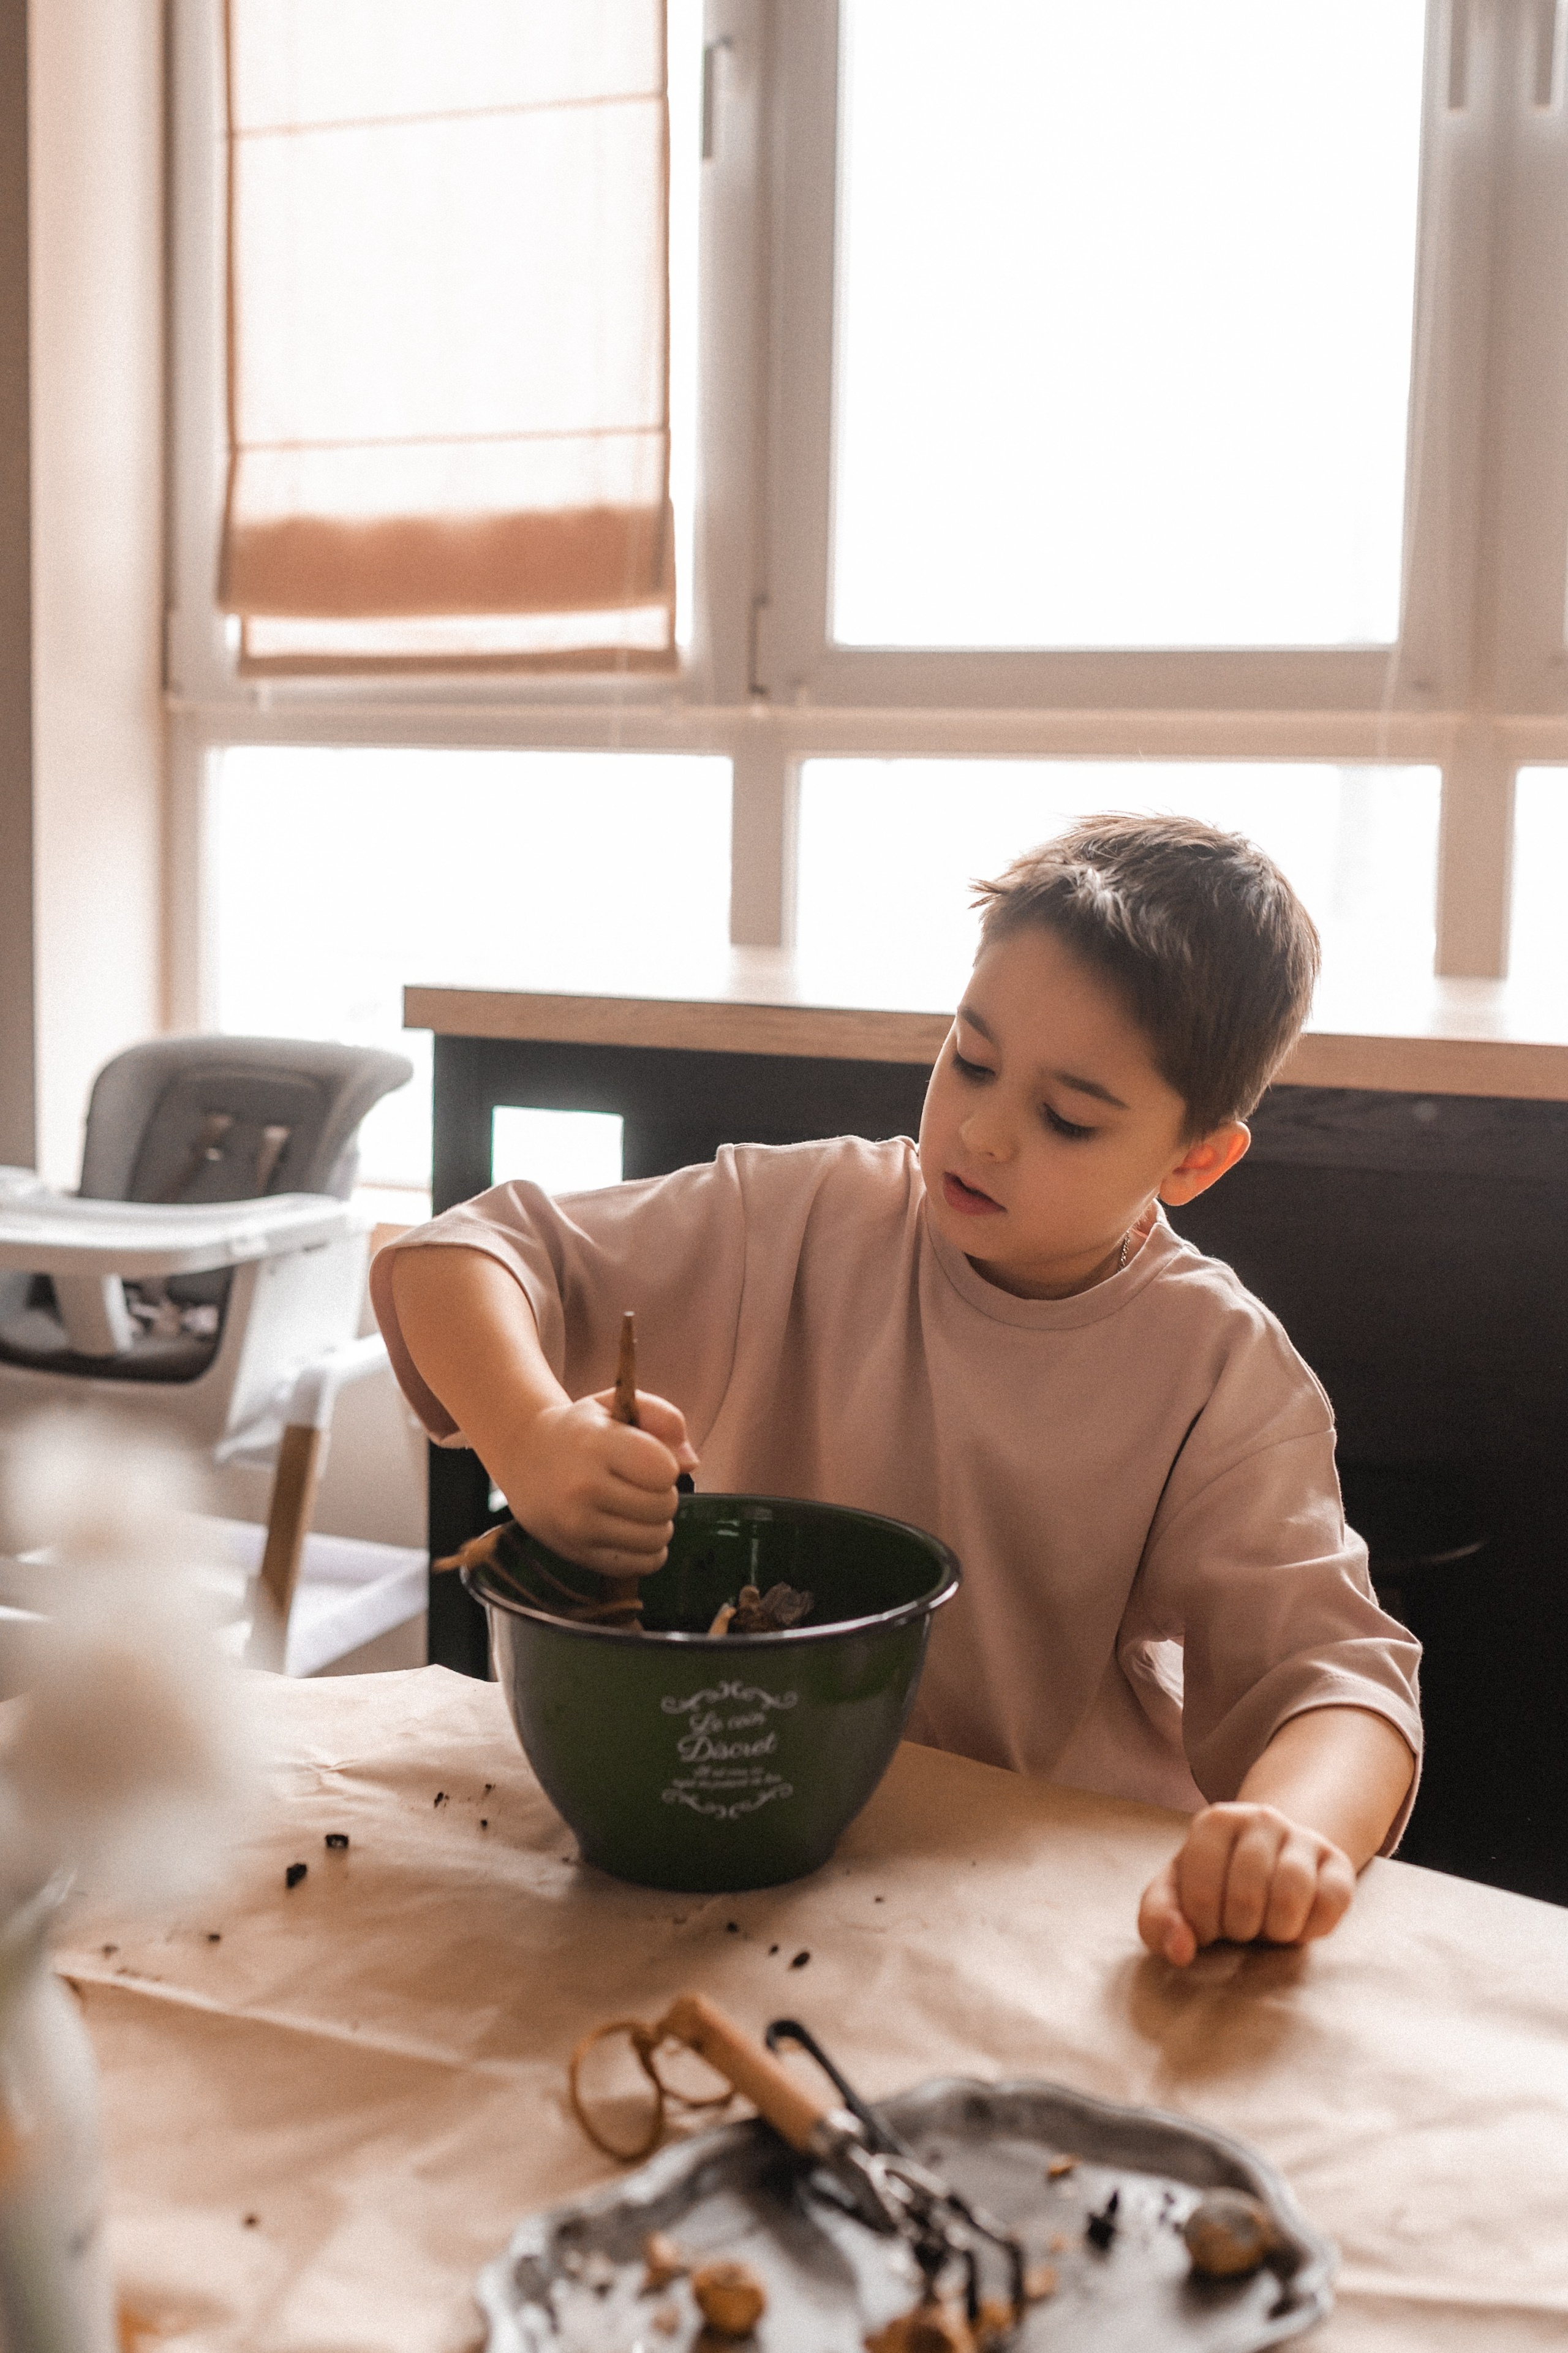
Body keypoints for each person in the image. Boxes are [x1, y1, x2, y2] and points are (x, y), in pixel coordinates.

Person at [375, 814, 1420, 1968]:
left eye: (1067, 1116)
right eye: (969, 1058)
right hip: (747, 1853)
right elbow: (460, 1258)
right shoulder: (808, 1220)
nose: (979, 1131)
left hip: (1037, 1920)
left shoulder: (1219, 1373)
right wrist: (530, 1439)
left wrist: (1290, 1829)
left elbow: (1340, 1686)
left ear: (1194, 1160)